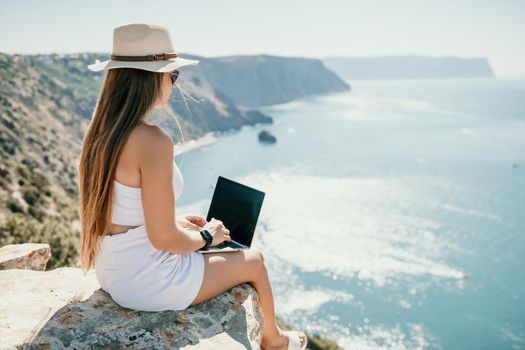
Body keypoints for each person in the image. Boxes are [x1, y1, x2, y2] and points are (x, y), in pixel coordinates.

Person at [78, 23, 307, 350]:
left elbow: (124, 213)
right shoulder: (153, 140)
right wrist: (205, 237)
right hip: (148, 281)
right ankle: (274, 340)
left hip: (113, 272)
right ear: (152, 78)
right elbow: (164, 240)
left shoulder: (101, 132)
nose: (174, 84)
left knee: (229, 249)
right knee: (254, 260)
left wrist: (178, 222)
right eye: (173, 75)